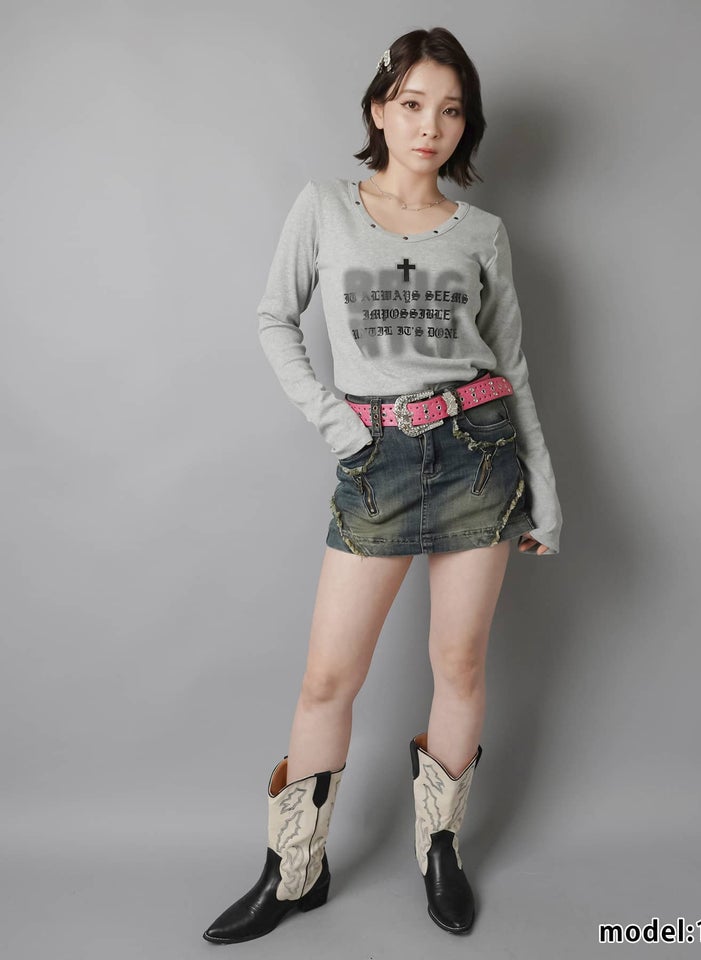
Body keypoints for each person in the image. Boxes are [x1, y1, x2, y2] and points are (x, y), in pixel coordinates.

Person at [202, 26, 562, 944]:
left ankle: (440, 850)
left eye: (451, 110)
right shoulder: (326, 206)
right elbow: (274, 317)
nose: (430, 126)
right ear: (379, 109)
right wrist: (338, 422)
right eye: (412, 104)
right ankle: (294, 870)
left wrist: (546, 492)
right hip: (379, 463)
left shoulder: (482, 232)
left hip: (480, 455)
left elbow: (513, 368)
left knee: (460, 665)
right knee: (329, 677)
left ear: (465, 125)